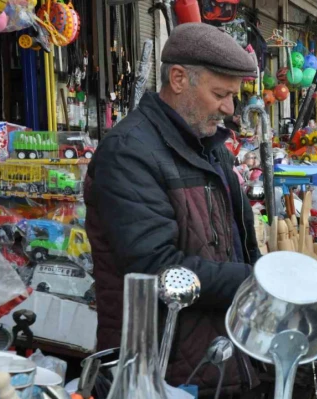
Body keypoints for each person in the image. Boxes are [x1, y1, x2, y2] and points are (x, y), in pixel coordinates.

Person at [84, 24, 261, 396]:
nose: (229, 109)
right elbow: (156, 268)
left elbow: (237, 241)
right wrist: (255, 282)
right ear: (179, 78)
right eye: (220, 94)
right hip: (159, 368)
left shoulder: (208, 146)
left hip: (214, 358)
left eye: (233, 96)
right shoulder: (129, 152)